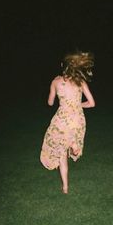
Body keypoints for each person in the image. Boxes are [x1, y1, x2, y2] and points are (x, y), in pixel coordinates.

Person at [40, 51, 95, 194]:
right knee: (68, 144)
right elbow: (92, 103)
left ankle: (65, 187)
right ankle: (73, 144)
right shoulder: (80, 82)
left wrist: (53, 98)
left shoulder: (56, 81)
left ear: (62, 66)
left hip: (63, 119)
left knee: (61, 154)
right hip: (77, 119)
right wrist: (77, 105)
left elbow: (51, 103)